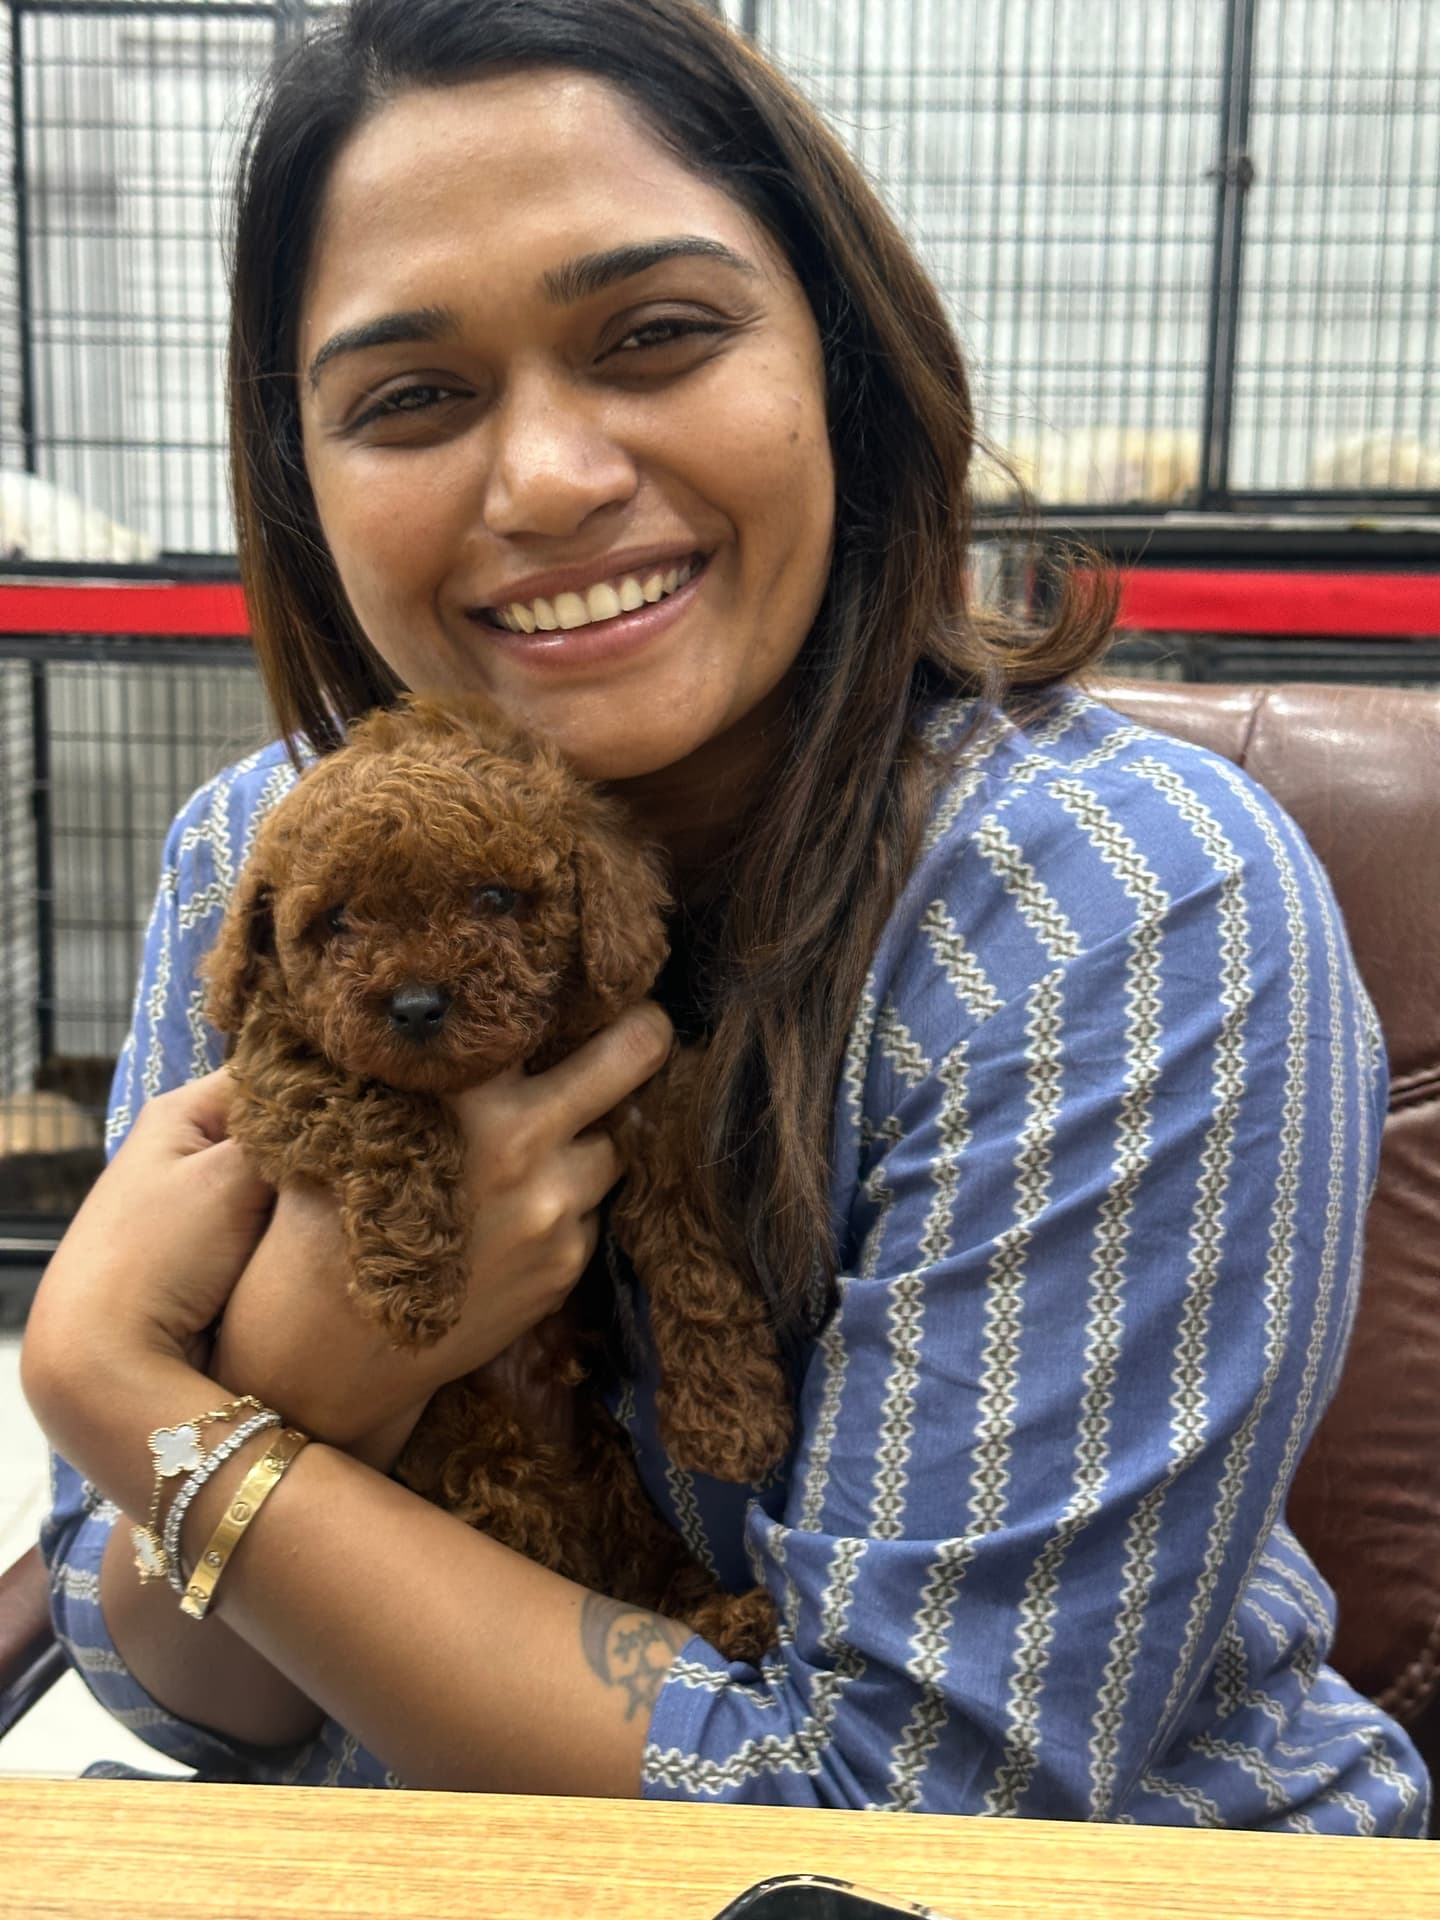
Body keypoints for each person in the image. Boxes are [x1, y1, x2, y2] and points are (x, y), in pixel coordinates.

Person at [20, 0, 1427, 1831]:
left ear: (840, 363)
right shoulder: (259, 853)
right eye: (411, 397)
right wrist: (308, 1374)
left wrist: (131, 1391)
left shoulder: (1118, 907)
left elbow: (895, 1816)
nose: (546, 480)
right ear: (302, 476)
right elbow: (187, 1691)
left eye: (658, 335)